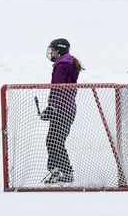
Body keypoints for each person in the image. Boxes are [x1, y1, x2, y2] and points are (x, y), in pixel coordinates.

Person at [40, 37, 84, 184]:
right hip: (67, 109)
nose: (51, 53)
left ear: (59, 51)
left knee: (54, 141)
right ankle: (58, 170)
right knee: (54, 140)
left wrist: (52, 107)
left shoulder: (61, 66)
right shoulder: (67, 63)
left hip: (62, 109)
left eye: (53, 50)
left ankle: (63, 172)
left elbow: (58, 88)